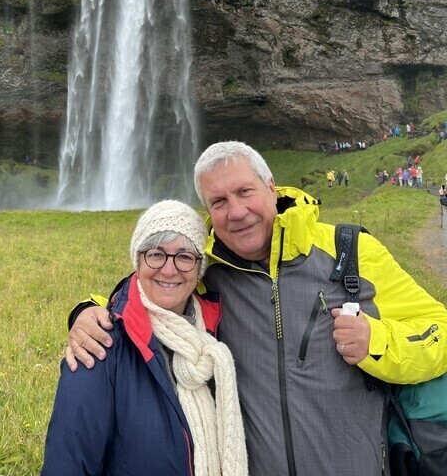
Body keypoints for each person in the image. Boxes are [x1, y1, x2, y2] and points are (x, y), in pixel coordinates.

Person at [67, 142, 447, 476]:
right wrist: (89, 310)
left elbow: (438, 330)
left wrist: (377, 341)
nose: (236, 212)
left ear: (270, 187)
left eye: (245, 192)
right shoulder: (208, 273)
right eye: (218, 201)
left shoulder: (351, 253)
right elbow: (152, 291)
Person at [41, 199, 248, 476]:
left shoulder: (217, 338)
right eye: (156, 254)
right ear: (138, 261)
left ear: (199, 268)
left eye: (185, 256)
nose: (169, 269)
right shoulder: (99, 347)